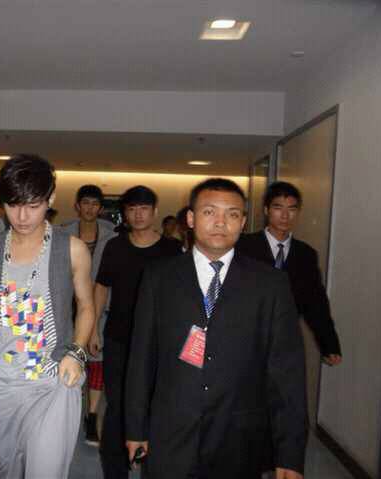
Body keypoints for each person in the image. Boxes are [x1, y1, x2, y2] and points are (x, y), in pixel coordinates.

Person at [125, 178, 307, 479]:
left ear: (243, 222)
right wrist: (135, 427)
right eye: (209, 212)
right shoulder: (159, 278)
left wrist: (290, 453)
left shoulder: (270, 284)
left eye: (232, 214)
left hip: (238, 436)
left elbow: (287, 372)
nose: (220, 222)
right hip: (171, 431)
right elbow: (141, 358)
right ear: (191, 218)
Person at [0, 155, 95, 479]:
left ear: (50, 198)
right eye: (13, 205)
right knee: (8, 467)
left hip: (54, 379)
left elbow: (86, 306)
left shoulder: (72, 249)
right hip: (2, 381)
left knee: (45, 471)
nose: (22, 217)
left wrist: (77, 352)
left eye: (33, 205)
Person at [236, 181, 342, 425]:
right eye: (278, 208)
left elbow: (315, 301)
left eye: (292, 209)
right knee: (244, 398)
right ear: (266, 210)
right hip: (245, 336)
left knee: (282, 400)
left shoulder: (306, 254)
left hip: (286, 339)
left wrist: (329, 343)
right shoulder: (243, 246)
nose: (285, 215)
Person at [94, 185, 181, 478]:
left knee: (157, 406)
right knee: (118, 406)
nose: (138, 214)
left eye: (144, 209)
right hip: (119, 338)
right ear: (125, 214)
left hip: (160, 342)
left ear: (154, 212)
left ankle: (152, 467)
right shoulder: (114, 247)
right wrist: (93, 329)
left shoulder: (172, 250)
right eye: (132, 209)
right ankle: (115, 470)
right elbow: (101, 287)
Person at [61, 184, 118, 446]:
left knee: (96, 361)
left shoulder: (111, 236)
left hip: (98, 305)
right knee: (67, 357)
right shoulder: (62, 233)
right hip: (67, 305)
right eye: (85, 202)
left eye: (95, 204)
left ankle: (92, 416)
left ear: (100, 208)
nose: (89, 208)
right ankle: (68, 413)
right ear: (77, 205)